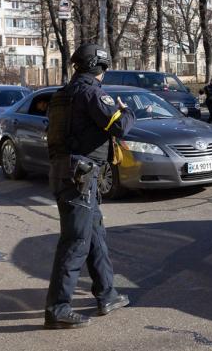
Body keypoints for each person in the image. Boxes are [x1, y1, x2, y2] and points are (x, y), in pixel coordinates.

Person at [43, 43, 136, 330]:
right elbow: (120, 126)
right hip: (79, 176)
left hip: (69, 172)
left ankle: (106, 294)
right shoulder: (91, 92)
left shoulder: (62, 95)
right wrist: (126, 111)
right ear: (101, 67)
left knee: (95, 235)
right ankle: (58, 308)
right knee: (76, 241)